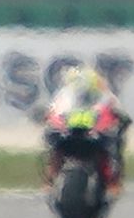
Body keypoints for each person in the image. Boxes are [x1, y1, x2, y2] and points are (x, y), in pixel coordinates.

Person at [38, 62, 127, 200]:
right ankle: (50, 180)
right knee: (55, 148)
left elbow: (117, 113)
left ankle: (112, 181)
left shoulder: (104, 96)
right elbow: (52, 112)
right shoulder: (63, 97)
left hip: (94, 133)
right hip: (70, 131)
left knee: (112, 146)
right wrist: (51, 119)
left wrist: (115, 119)